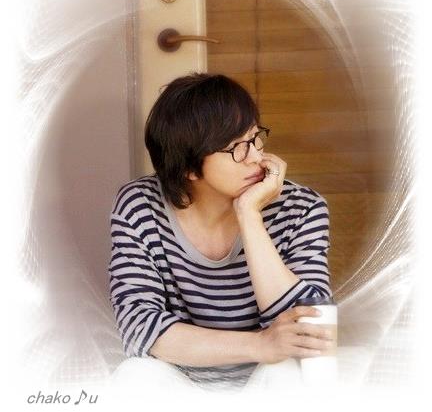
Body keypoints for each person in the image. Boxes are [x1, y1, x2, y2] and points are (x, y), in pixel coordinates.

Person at [108, 72, 334, 391]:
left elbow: (311, 334)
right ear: (189, 167)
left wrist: (249, 216)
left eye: (255, 137)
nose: (256, 156)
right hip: (183, 385)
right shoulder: (140, 205)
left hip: (268, 383)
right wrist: (260, 345)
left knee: (289, 373)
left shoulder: (301, 207)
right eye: (236, 148)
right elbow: (139, 326)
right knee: (136, 375)